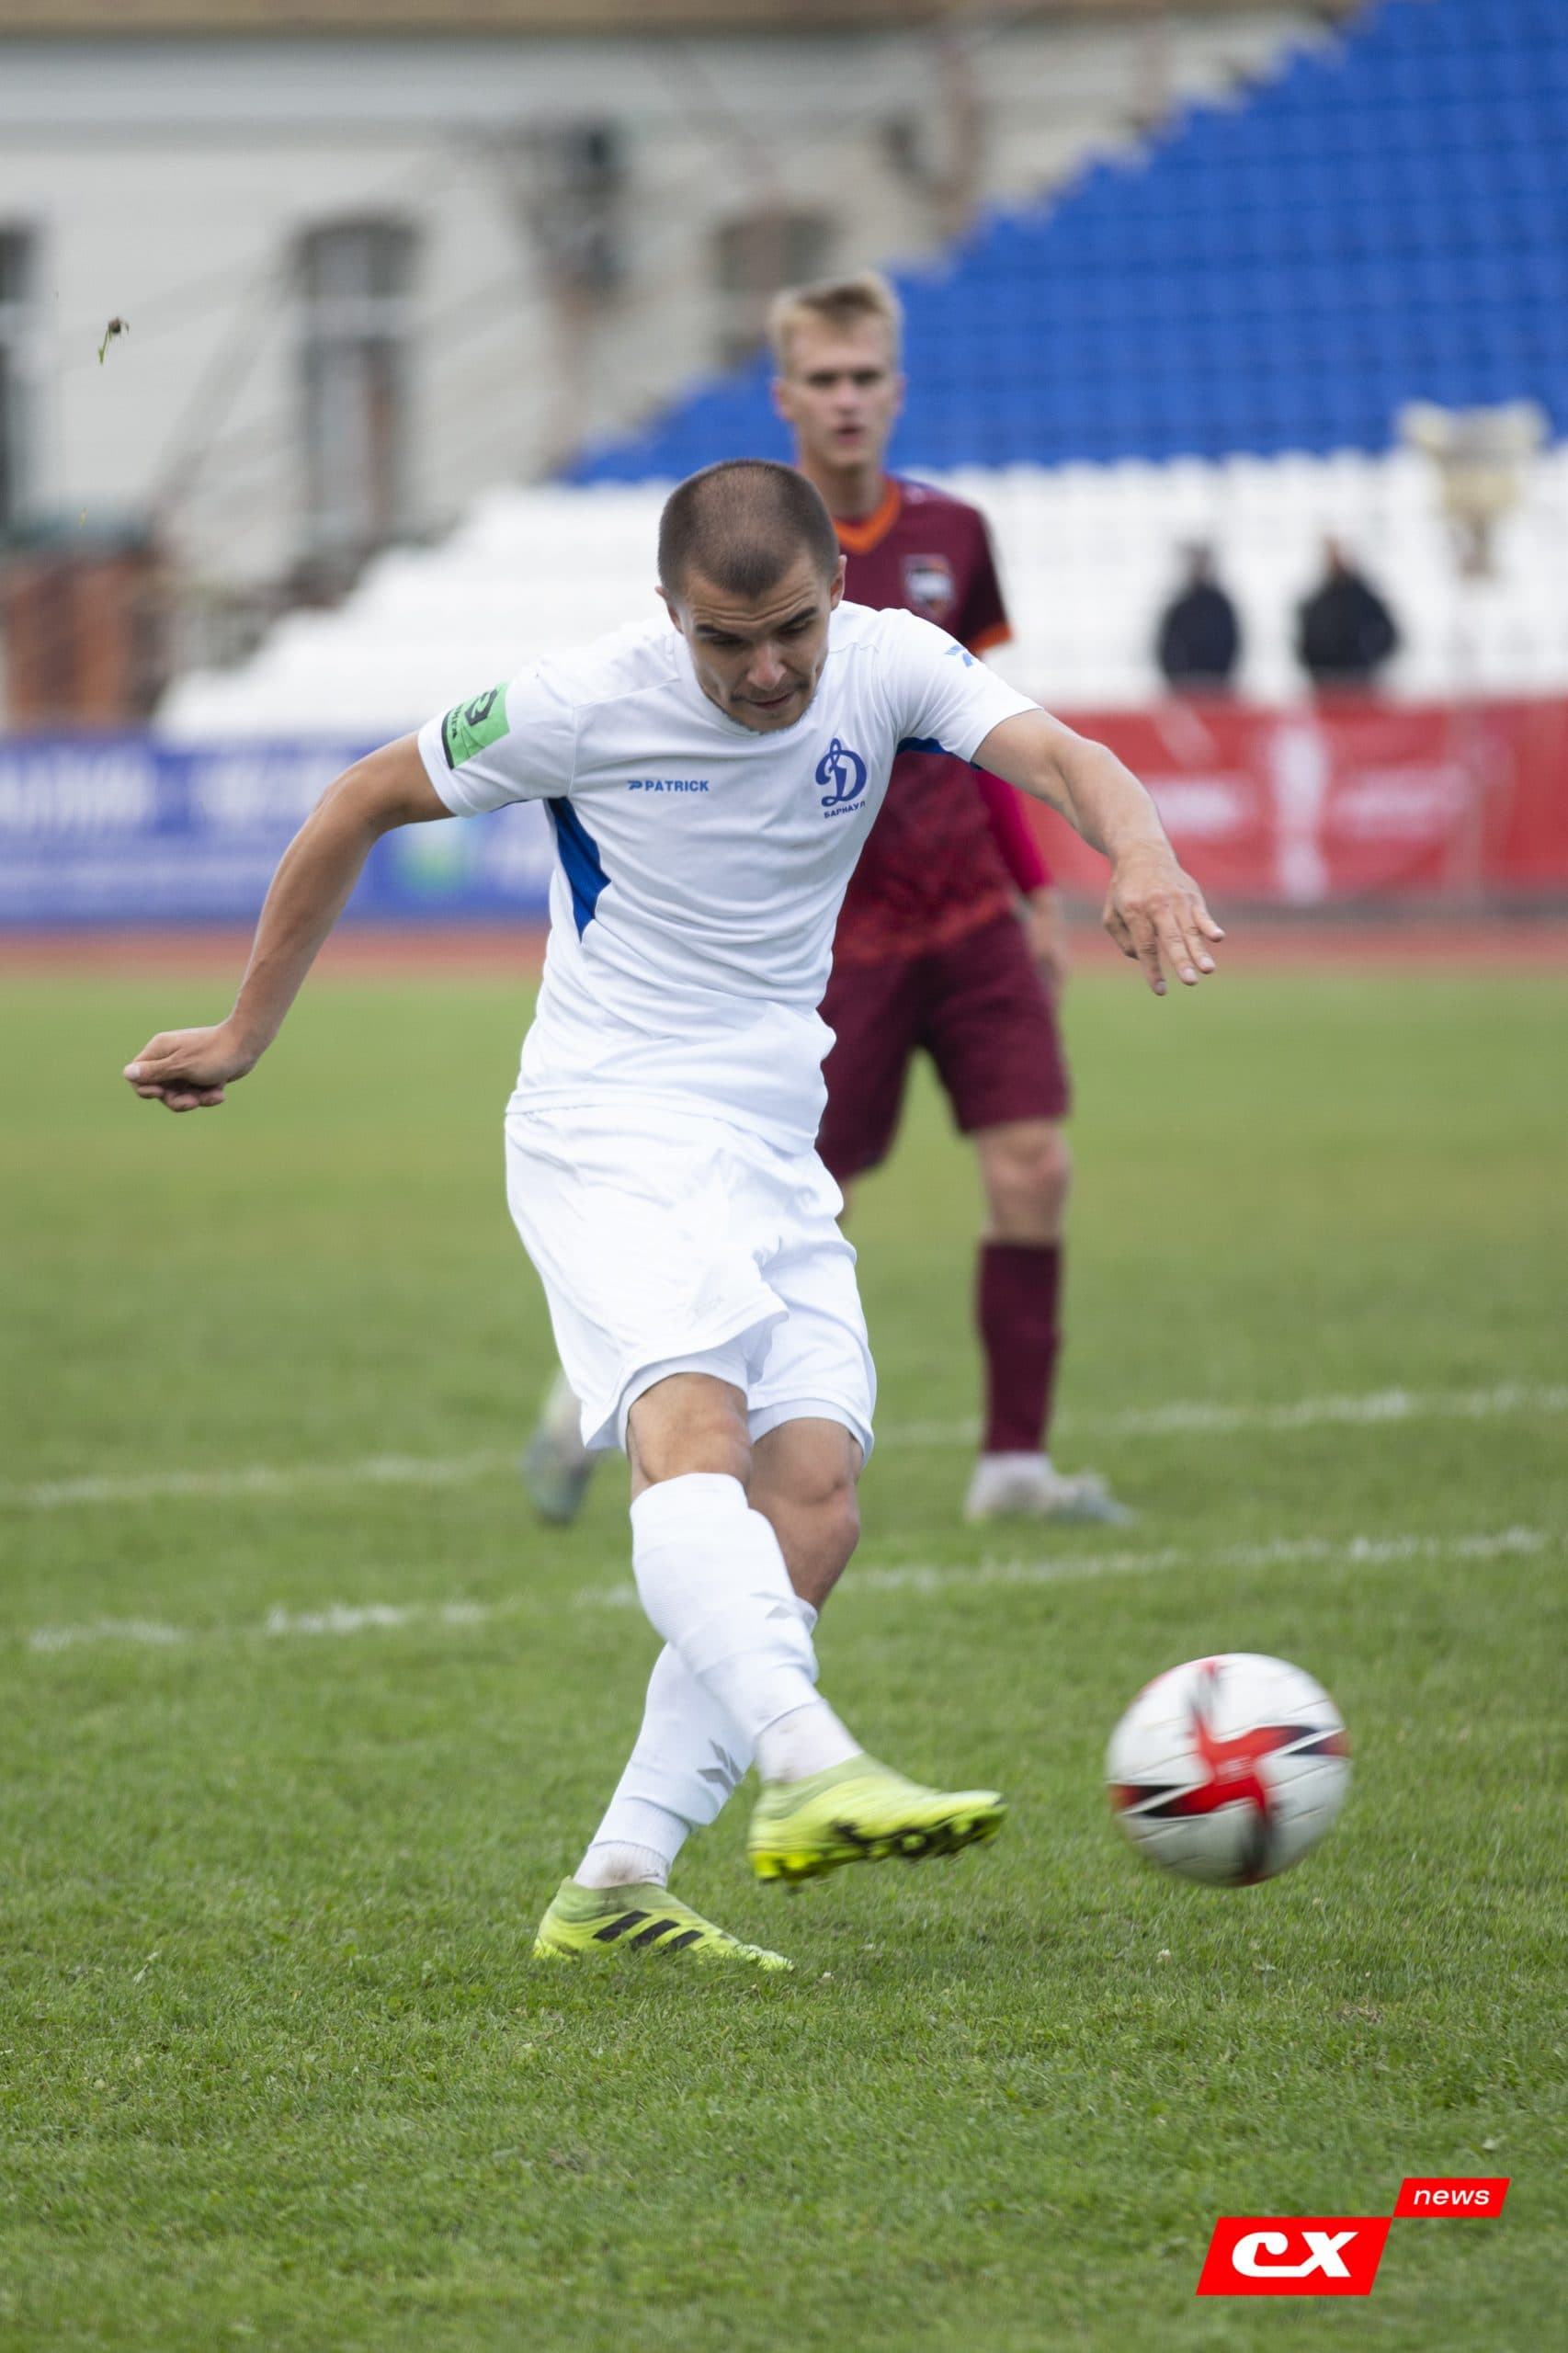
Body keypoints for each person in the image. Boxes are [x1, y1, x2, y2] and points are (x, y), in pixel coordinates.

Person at [124, 460, 1221, 1971]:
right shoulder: (582, 701)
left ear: (838, 589)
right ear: (669, 618)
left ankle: (615, 1882)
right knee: (690, 1432)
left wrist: (1144, 853)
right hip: (610, 1126)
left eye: (791, 632)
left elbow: (1061, 755)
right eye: (728, 642)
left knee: (817, 1503)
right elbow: (361, 800)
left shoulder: (890, 657)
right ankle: (809, 1759)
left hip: (769, 1140)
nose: (768, 670)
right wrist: (246, 1030)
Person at [527, 269, 1127, 1529]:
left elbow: (993, 730)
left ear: (894, 390)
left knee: (1032, 1166)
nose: (848, 401)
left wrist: (1032, 894)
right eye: (825, 379)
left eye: (867, 378)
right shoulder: (749, 556)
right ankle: (625, 1369)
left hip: (965, 907)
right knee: (789, 1200)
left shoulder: (953, 539)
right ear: (784, 394)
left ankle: (1012, 1466)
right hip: (823, 938)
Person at [1295, 538, 1400, 691]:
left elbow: (1388, 634)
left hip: (1360, 682)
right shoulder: (1317, 600)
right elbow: (1306, 641)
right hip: (1327, 684)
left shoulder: (1364, 598)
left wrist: (1367, 655)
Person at [1155, 542, 1241, 693]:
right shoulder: (1180, 606)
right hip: (1184, 686)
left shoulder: (1221, 606)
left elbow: (1231, 643)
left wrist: (1220, 676)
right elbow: (1167, 646)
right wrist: (1177, 676)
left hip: (1217, 686)